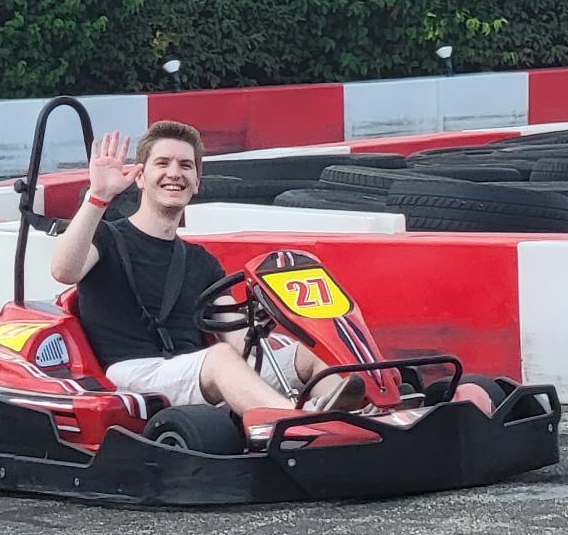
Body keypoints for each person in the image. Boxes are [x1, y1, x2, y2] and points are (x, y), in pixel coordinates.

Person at [48, 121, 361, 415]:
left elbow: (236, 340)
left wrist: (258, 325)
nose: (175, 173)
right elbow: (64, 271)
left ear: (197, 182)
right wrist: (98, 197)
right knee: (220, 359)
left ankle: (355, 417)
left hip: (196, 370)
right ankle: (291, 420)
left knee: (307, 353)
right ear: (140, 177)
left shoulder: (201, 261)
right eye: (163, 163)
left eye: (186, 166)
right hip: (130, 372)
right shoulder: (106, 237)